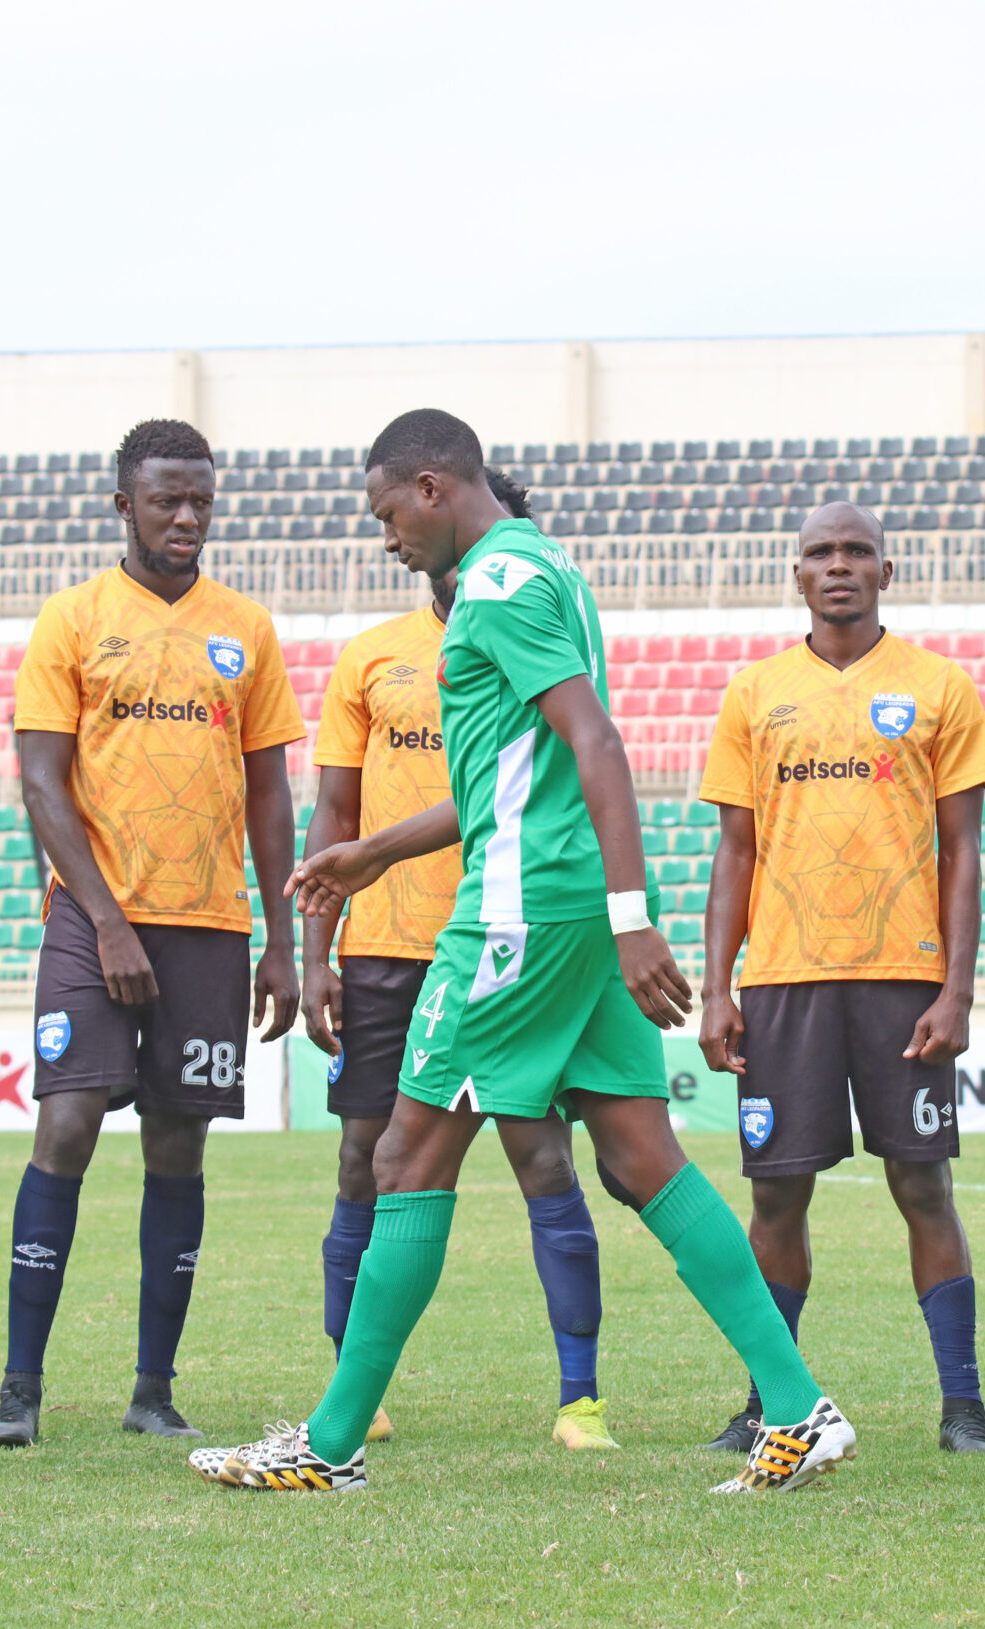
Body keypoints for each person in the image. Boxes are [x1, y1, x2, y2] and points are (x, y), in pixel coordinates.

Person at [244, 407, 854, 1496]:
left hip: (524, 917)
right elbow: (511, 779)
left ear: (432, 488)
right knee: (638, 1153)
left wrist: (631, 920)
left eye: (387, 513)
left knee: (404, 1157)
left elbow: (594, 741)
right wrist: (374, 850)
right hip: (562, 901)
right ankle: (799, 1410)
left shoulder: (496, 585)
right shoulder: (546, 570)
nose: (385, 537)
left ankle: (330, 1445)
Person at [0, 418, 302, 1449]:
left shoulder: (244, 628)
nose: (185, 517)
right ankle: (19, 1389)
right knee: (67, 1127)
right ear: (124, 505)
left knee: (178, 1145)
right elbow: (40, 781)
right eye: (165, 499)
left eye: (201, 499)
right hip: (91, 918)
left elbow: (269, 794)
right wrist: (108, 921)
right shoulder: (72, 620)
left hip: (208, 925)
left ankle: (152, 1390)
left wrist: (285, 942)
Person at [293, 469, 617, 1456]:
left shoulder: (522, 611)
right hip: (393, 947)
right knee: (368, 1159)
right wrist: (317, 953)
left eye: (397, 519)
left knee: (537, 1158)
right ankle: (355, 1399)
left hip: (509, 933)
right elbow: (337, 806)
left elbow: (572, 759)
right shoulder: (376, 656)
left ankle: (576, 1400)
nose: (397, 540)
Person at [694, 500, 985, 1454]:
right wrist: (717, 986)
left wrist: (956, 988)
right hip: (784, 980)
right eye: (821, 553)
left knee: (924, 1185)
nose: (839, 567)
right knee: (777, 1195)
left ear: (885, 569)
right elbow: (734, 853)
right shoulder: (754, 694)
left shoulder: (939, 687)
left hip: (902, 979)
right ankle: (769, 1404)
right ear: (797, 575)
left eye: (856, 552)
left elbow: (963, 852)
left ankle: (962, 1409)